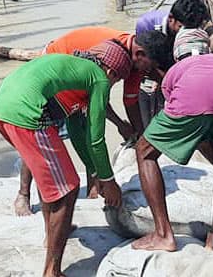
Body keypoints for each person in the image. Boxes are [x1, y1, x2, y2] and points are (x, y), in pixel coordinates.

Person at [0, 43, 133, 277]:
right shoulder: (99, 78)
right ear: (112, 72)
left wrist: (95, 171)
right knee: (68, 190)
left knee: (54, 185)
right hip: (27, 115)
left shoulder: (77, 70)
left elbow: (78, 132)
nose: (111, 86)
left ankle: (51, 234)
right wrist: (108, 180)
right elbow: (96, 139)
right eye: (116, 80)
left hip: (3, 109)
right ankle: (52, 271)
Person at [12, 27, 173, 216]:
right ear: (139, 55)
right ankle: (24, 193)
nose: (149, 72)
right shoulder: (109, 51)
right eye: (151, 66)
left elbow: (129, 102)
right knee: (40, 137)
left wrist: (139, 137)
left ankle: (93, 187)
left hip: (85, 81)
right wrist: (108, 178)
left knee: (88, 128)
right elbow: (95, 106)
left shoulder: (135, 63)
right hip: (56, 65)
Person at [132, 30, 213, 252]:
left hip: (191, 101)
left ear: (178, 54)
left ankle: (163, 234)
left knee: (144, 151)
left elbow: (186, 117)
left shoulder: (177, 69)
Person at [134, 0, 210, 128]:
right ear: (171, 19)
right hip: (153, 69)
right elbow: (145, 63)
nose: (185, 32)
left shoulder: (190, 28)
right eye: (181, 27)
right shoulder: (147, 24)